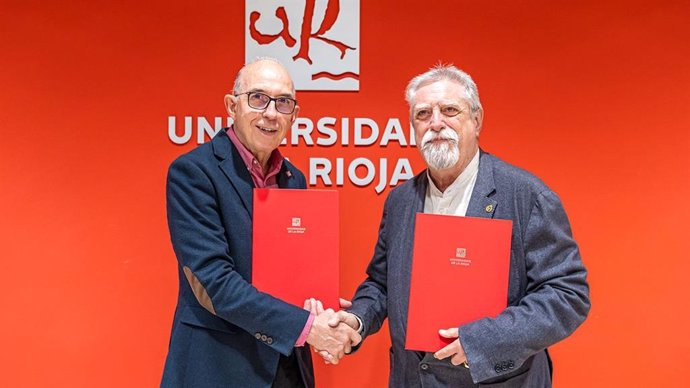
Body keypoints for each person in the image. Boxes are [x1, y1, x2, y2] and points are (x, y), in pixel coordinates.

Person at [324, 64, 591, 387]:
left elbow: (567, 294)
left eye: (450, 110)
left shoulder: (525, 195)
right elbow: (381, 283)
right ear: (413, 128)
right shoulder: (400, 201)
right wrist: (357, 320)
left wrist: (483, 340)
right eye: (423, 115)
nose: (436, 123)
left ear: (476, 120)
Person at [161, 58, 360, 388]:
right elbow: (215, 284)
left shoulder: (294, 178)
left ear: (293, 116)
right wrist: (310, 327)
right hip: (218, 368)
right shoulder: (194, 173)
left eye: (283, 103)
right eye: (258, 98)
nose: (271, 113)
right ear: (232, 105)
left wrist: (317, 302)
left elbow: (293, 275)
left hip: (285, 369)